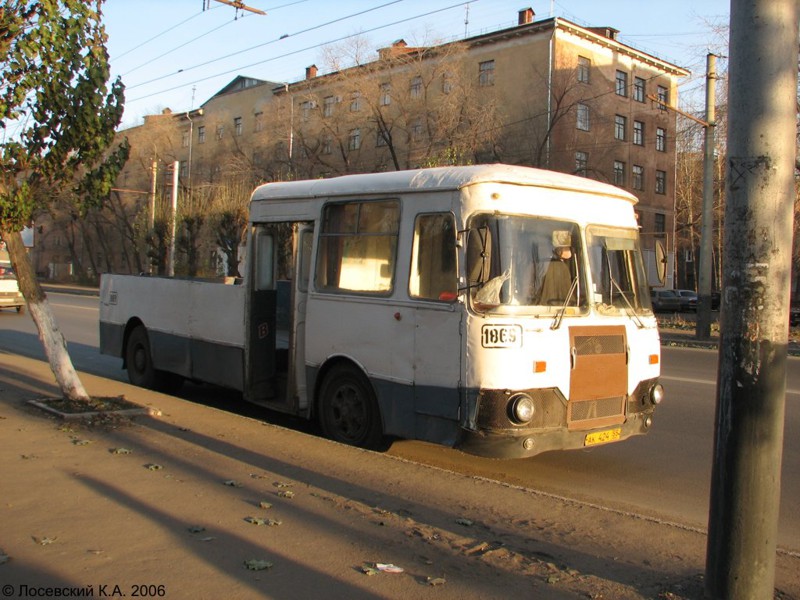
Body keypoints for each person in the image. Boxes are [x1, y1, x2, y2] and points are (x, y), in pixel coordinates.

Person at [538, 232, 574, 305]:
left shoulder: (547, 265)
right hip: (560, 306)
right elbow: (566, 294)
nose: (569, 250)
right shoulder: (562, 267)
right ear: (560, 250)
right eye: (566, 247)